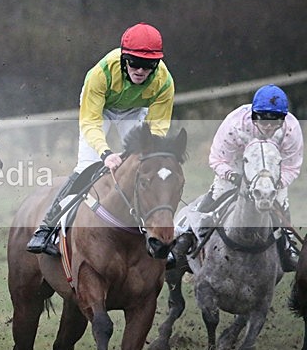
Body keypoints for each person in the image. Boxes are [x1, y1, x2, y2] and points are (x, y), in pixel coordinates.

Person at [27, 22, 174, 255]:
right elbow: (90, 123)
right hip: (101, 110)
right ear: (124, 58)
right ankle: (47, 227)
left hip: (135, 111)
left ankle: (161, 234)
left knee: (152, 167)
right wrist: (105, 154)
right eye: (135, 63)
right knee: (87, 165)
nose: (140, 71)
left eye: (148, 66)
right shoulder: (101, 73)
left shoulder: (165, 82)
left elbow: (157, 128)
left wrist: (148, 154)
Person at [168, 84, 303, 271]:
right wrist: (232, 177)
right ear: (254, 115)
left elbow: (291, 166)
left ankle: (287, 247)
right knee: (213, 200)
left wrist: (275, 182)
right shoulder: (235, 123)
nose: (269, 126)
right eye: (263, 121)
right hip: (235, 165)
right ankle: (184, 240)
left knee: (281, 204)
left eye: (276, 121)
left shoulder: (291, 130)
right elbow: (217, 158)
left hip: (271, 172)